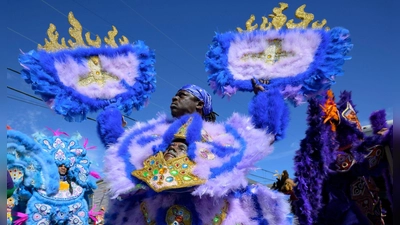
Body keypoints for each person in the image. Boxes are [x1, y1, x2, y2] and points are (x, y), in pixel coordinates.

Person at [99, 84, 293, 224]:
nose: (174, 98)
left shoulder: (221, 134)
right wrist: (111, 116)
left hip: (211, 214)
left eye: (182, 95)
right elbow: (120, 147)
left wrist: (265, 99)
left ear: (199, 104)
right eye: (175, 95)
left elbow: (262, 136)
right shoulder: (152, 133)